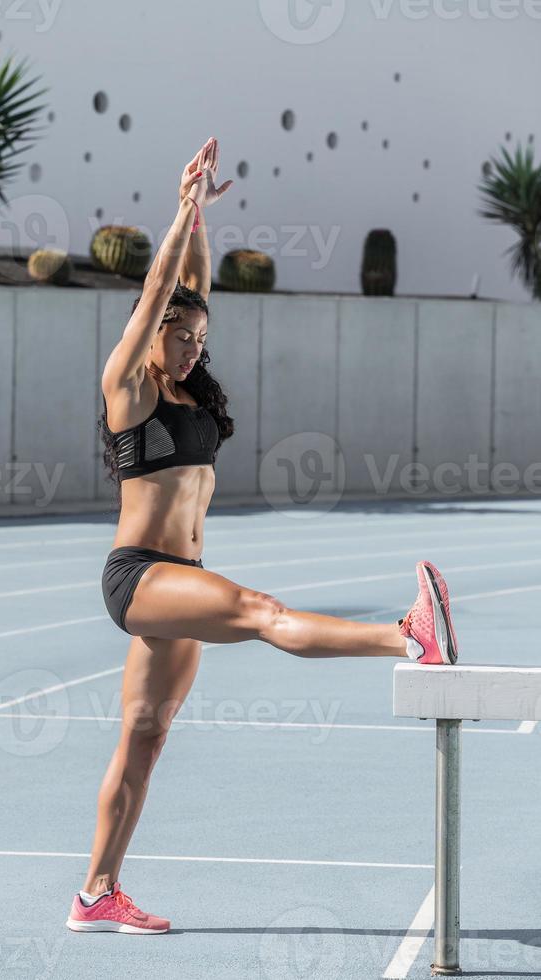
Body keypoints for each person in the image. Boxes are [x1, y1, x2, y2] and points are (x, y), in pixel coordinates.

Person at [66, 137, 459, 936]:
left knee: (142, 749)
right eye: (182, 336)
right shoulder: (128, 387)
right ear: (151, 337)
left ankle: (95, 894)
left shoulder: (185, 383)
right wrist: (178, 211)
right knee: (258, 609)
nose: (194, 345)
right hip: (140, 577)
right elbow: (158, 289)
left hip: (179, 575)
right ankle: (407, 637)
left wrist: (203, 214)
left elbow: (189, 288)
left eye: (202, 339)